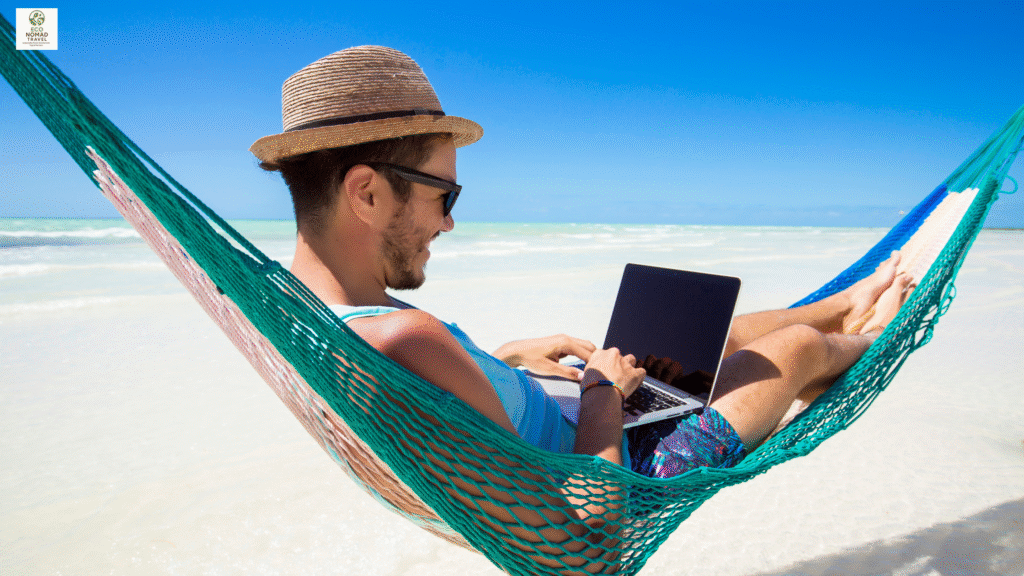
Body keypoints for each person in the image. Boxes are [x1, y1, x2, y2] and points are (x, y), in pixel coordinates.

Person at [251, 45, 913, 492]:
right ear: (366, 193)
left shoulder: (299, 309)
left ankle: (844, 303)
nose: (449, 222)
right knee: (791, 351)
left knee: (708, 338)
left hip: (561, 403)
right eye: (443, 195)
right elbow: (585, 533)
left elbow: (460, 404)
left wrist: (511, 358)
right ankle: (876, 332)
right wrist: (601, 392)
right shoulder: (403, 336)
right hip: (618, 461)